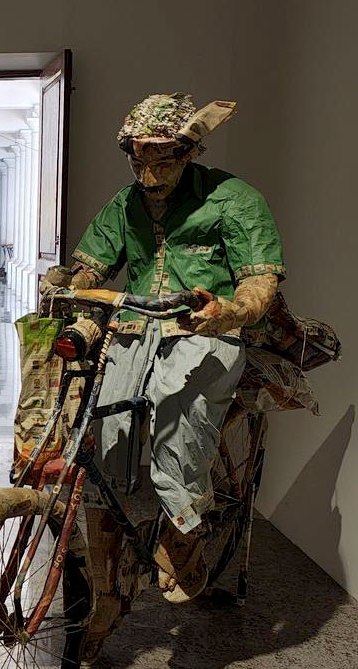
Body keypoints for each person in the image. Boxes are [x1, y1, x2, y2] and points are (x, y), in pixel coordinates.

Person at [46, 93, 285, 606]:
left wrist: (230, 311)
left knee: (179, 412)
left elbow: (260, 282)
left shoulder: (234, 199)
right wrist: (69, 282)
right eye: (139, 162)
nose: (149, 177)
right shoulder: (125, 203)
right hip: (134, 329)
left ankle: (184, 530)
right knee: (105, 430)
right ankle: (106, 580)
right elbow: (92, 265)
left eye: (162, 162)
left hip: (205, 331)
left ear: (189, 152)